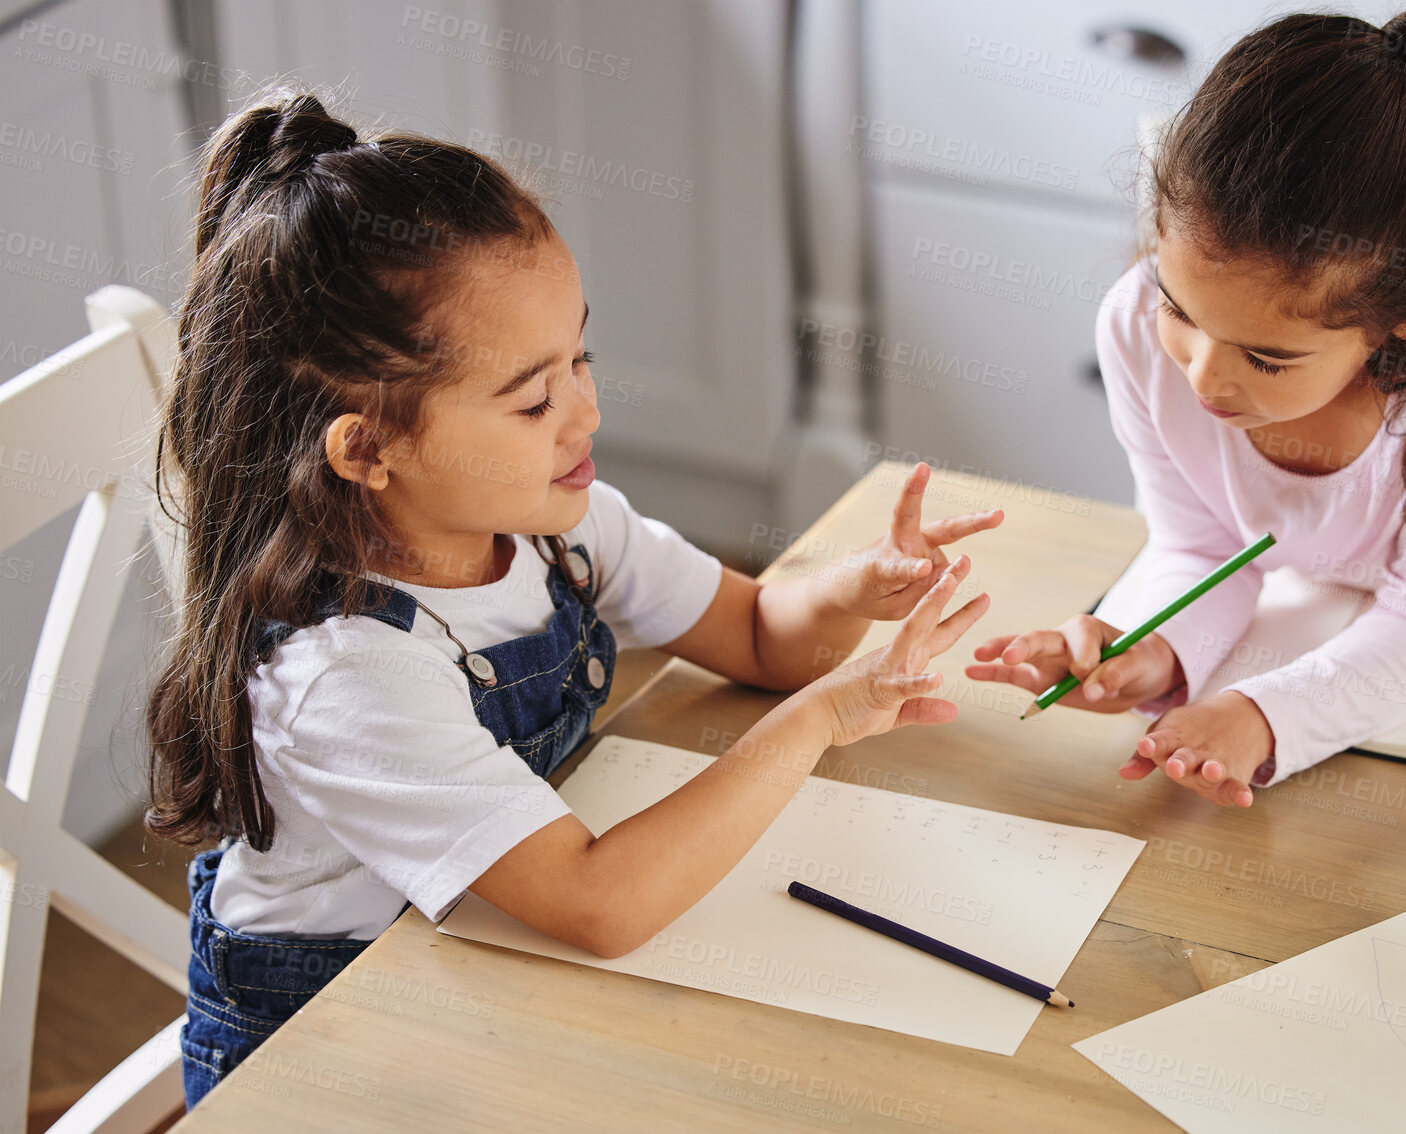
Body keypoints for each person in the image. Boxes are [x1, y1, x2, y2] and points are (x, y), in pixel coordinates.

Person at [148, 90, 999, 1107]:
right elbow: (599, 902)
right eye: (532, 397)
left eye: (580, 360)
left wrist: (856, 590)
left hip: (485, 970)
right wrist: (820, 720)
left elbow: (761, 637)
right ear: (368, 448)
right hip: (336, 1055)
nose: (586, 412)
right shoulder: (346, 674)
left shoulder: (558, 531)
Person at [967, 3, 1406, 807]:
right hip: (1320, 601)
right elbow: (1201, 544)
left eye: (1268, 358)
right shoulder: (1134, 327)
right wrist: (1155, 648)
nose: (1203, 381)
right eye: (1180, 310)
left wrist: (1263, 717)